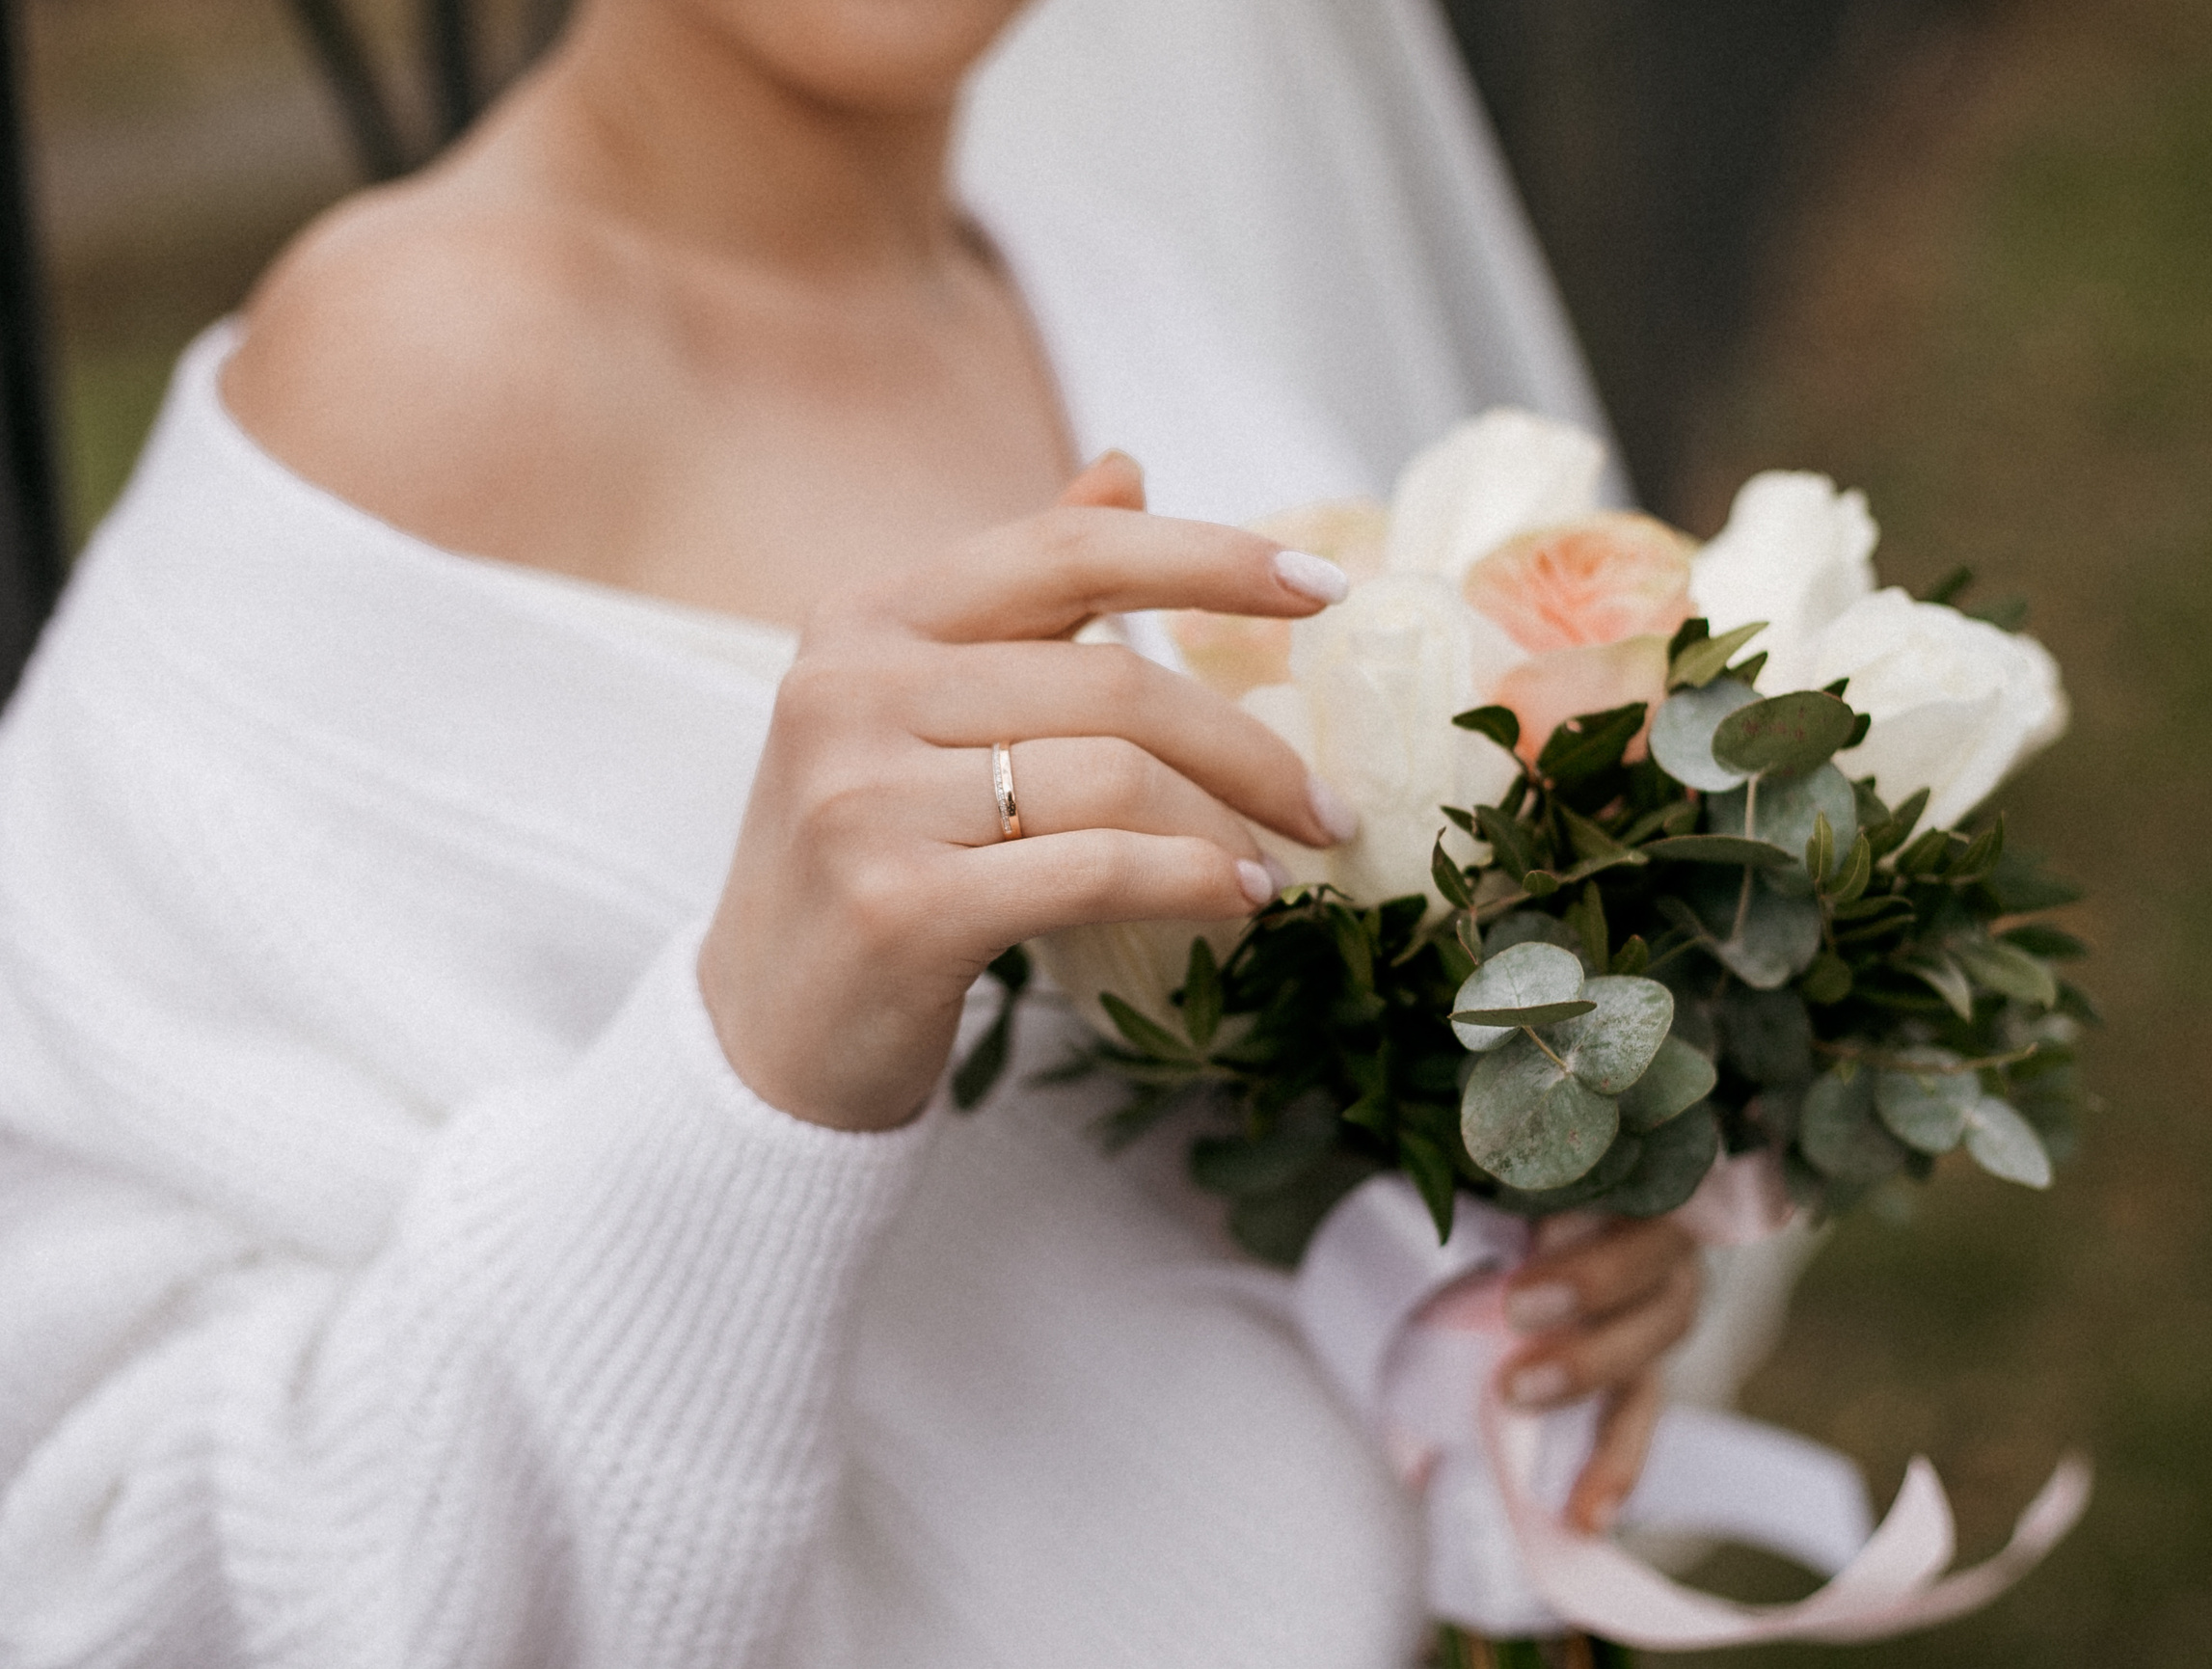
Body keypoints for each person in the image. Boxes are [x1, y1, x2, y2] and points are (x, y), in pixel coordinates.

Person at [0, 1, 1724, 1661]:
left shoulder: (1104, 284)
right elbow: (105, 1569)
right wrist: (758, 1057)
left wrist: (1541, 1226)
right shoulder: (422, 366)